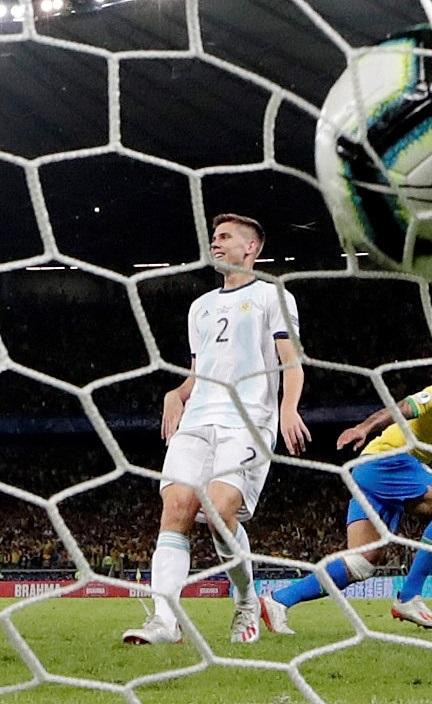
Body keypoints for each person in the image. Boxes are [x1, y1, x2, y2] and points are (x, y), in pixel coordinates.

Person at [122, 213, 310, 645]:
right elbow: (199, 372)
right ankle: (164, 621)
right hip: (198, 419)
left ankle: (246, 600)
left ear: (252, 248)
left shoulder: (271, 295)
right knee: (177, 508)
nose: (217, 243)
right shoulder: (200, 307)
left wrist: (288, 407)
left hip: (247, 421)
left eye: (226, 237)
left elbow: (291, 359)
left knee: (220, 513)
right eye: (214, 237)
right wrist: (177, 393)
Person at [260, 341, 432, 632]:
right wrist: (363, 428)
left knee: (361, 564)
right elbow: (400, 408)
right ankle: (409, 597)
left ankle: (277, 601)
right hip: (386, 459)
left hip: (377, 473)